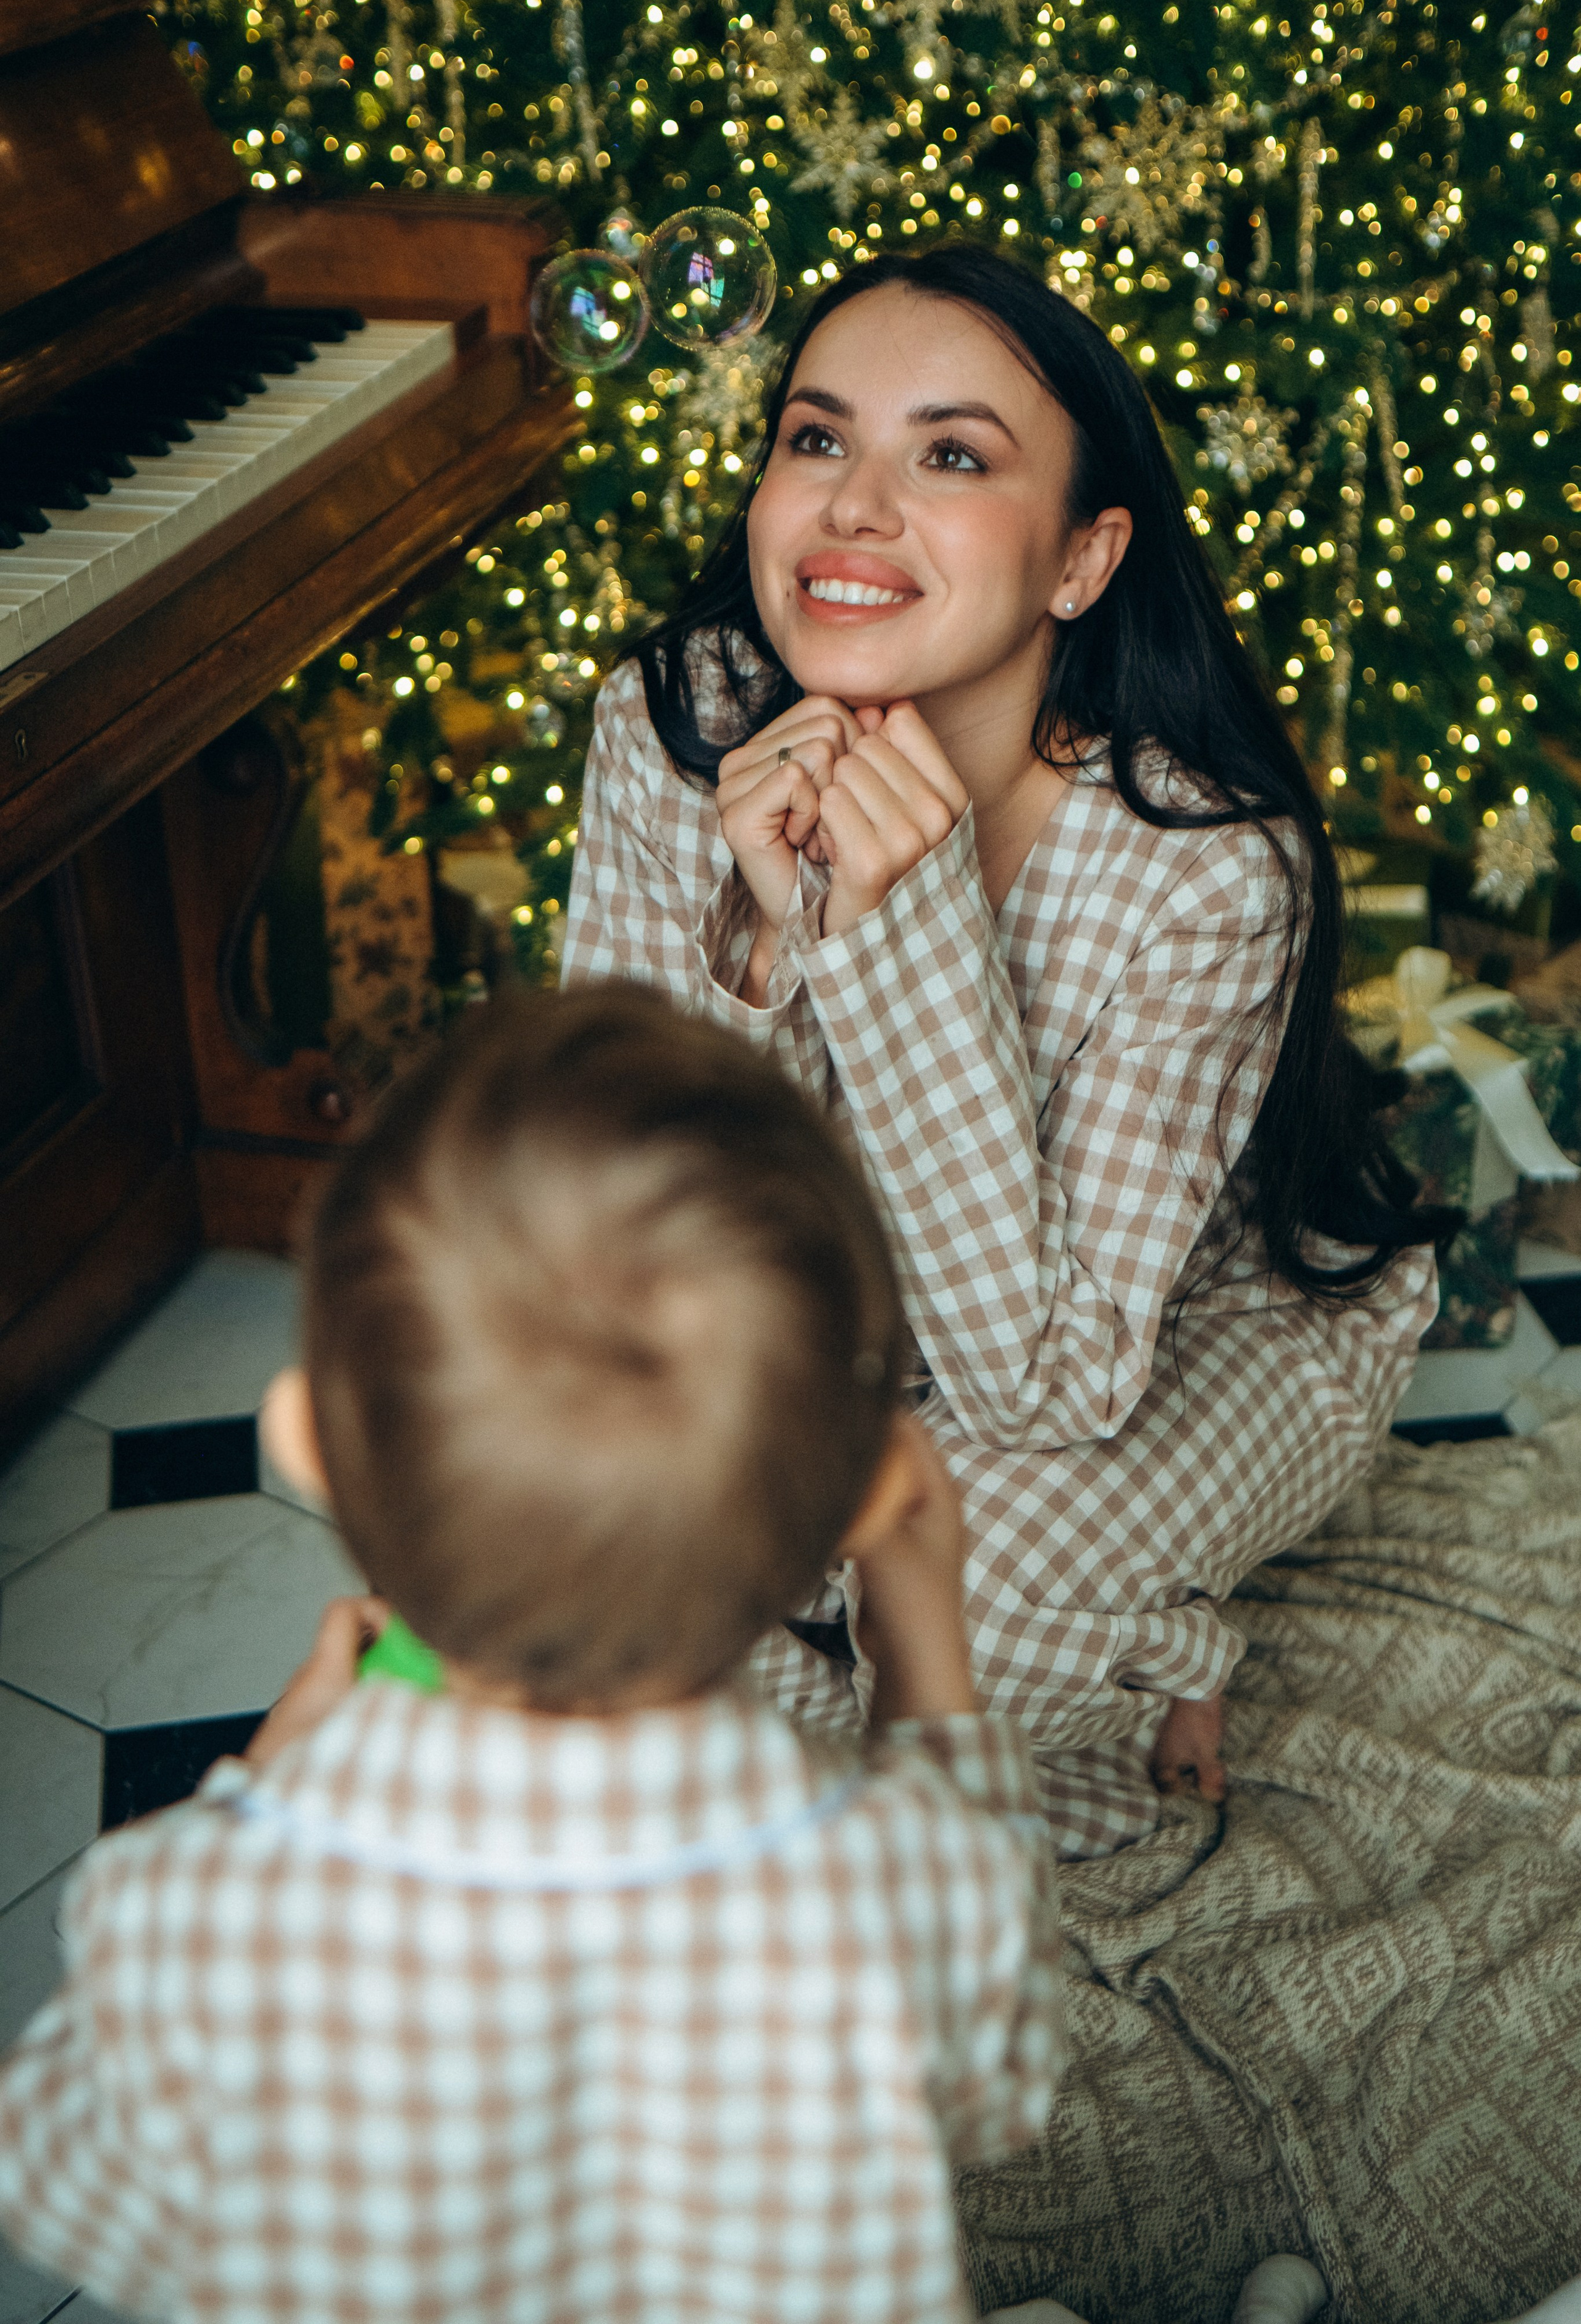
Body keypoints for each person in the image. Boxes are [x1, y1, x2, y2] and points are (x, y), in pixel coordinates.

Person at [563, 242, 1455, 1856]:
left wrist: (891, 932)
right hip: (830, 1330)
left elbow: (1050, 1387)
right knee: (559, 1494)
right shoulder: (673, 721)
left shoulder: (1207, 861)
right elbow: (632, 1246)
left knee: (967, 1601)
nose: (853, 507)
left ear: (1080, 559)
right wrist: (763, 955)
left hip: (1193, 1315)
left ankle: (1076, 1638)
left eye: (952, 456)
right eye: (816, 439)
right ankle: (1126, 1648)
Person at [0, 986, 1066, 2324]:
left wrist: (259, 1788)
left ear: (308, 1449)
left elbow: (66, 2184)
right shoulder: (913, 1877)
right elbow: (998, 2087)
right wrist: (919, 1628)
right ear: (863, 1500)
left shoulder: (181, 1917)